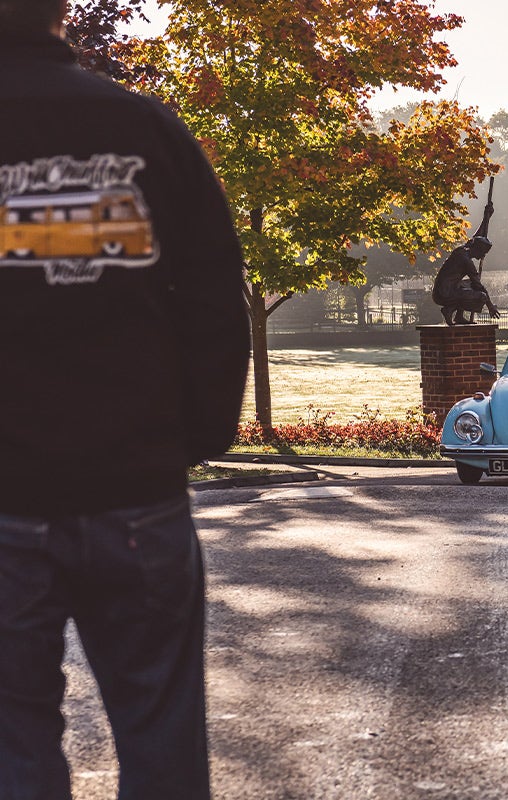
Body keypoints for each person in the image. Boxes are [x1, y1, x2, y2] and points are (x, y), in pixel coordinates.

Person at [0, 2, 250, 798]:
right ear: (61, 10)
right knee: (161, 735)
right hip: (137, 491)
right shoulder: (149, 128)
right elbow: (216, 296)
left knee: (12, 745)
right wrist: (192, 438)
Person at [433, 201, 501, 325]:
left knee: (468, 284)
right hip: (444, 294)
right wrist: (490, 305)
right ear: (478, 250)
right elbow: (479, 286)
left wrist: (486, 218)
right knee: (481, 296)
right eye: (483, 253)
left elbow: (477, 237)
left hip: (442, 289)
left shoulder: (462, 250)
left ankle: (458, 316)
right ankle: (449, 309)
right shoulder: (466, 261)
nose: (483, 256)